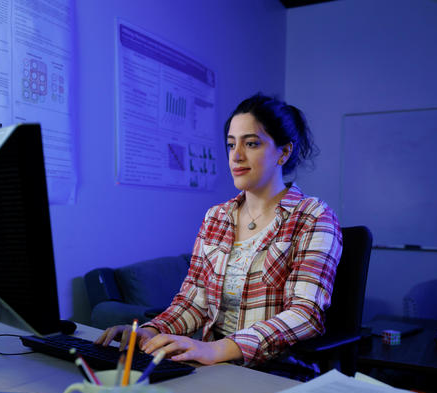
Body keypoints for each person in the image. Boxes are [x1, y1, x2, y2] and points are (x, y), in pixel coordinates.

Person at [96, 93, 342, 369]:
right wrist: (151, 332)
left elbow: (305, 314)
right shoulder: (216, 217)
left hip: (274, 369)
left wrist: (217, 349)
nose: (236, 156)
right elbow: (193, 301)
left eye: (251, 143)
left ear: (284, 152)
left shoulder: (313, 216)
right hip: (212, 363)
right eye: (230, 144)